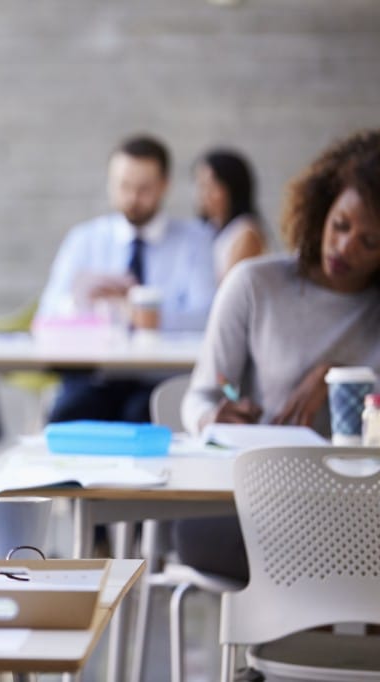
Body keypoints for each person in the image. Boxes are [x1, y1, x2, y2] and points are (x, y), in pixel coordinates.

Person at [177, 128, 380, 581]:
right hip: (257, 501)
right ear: (322, 209)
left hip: (361, 508)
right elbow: (201, 398)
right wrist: (213, 420)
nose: (346, 247)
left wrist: (336, 376)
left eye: (369, 242)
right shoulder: (256, 285)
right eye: (341, 225)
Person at [36, 134, 217, 422]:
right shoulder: (84, 240)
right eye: (123, 186)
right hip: (94, 377)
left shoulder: (196, 243)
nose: (133, 198)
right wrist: (83, 305)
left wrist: (145, 317)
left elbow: (208, 318)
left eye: (144, 189)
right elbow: (47, 314)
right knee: (68, 415)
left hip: (159, 382)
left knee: (143, 413)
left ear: (164, 186)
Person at [194, 148, 268, 281]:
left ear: (232, 188)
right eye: (201, 186)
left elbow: (230, 291)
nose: (204, 195)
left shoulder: (245, 234)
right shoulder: (211, 228)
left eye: (212, 187)